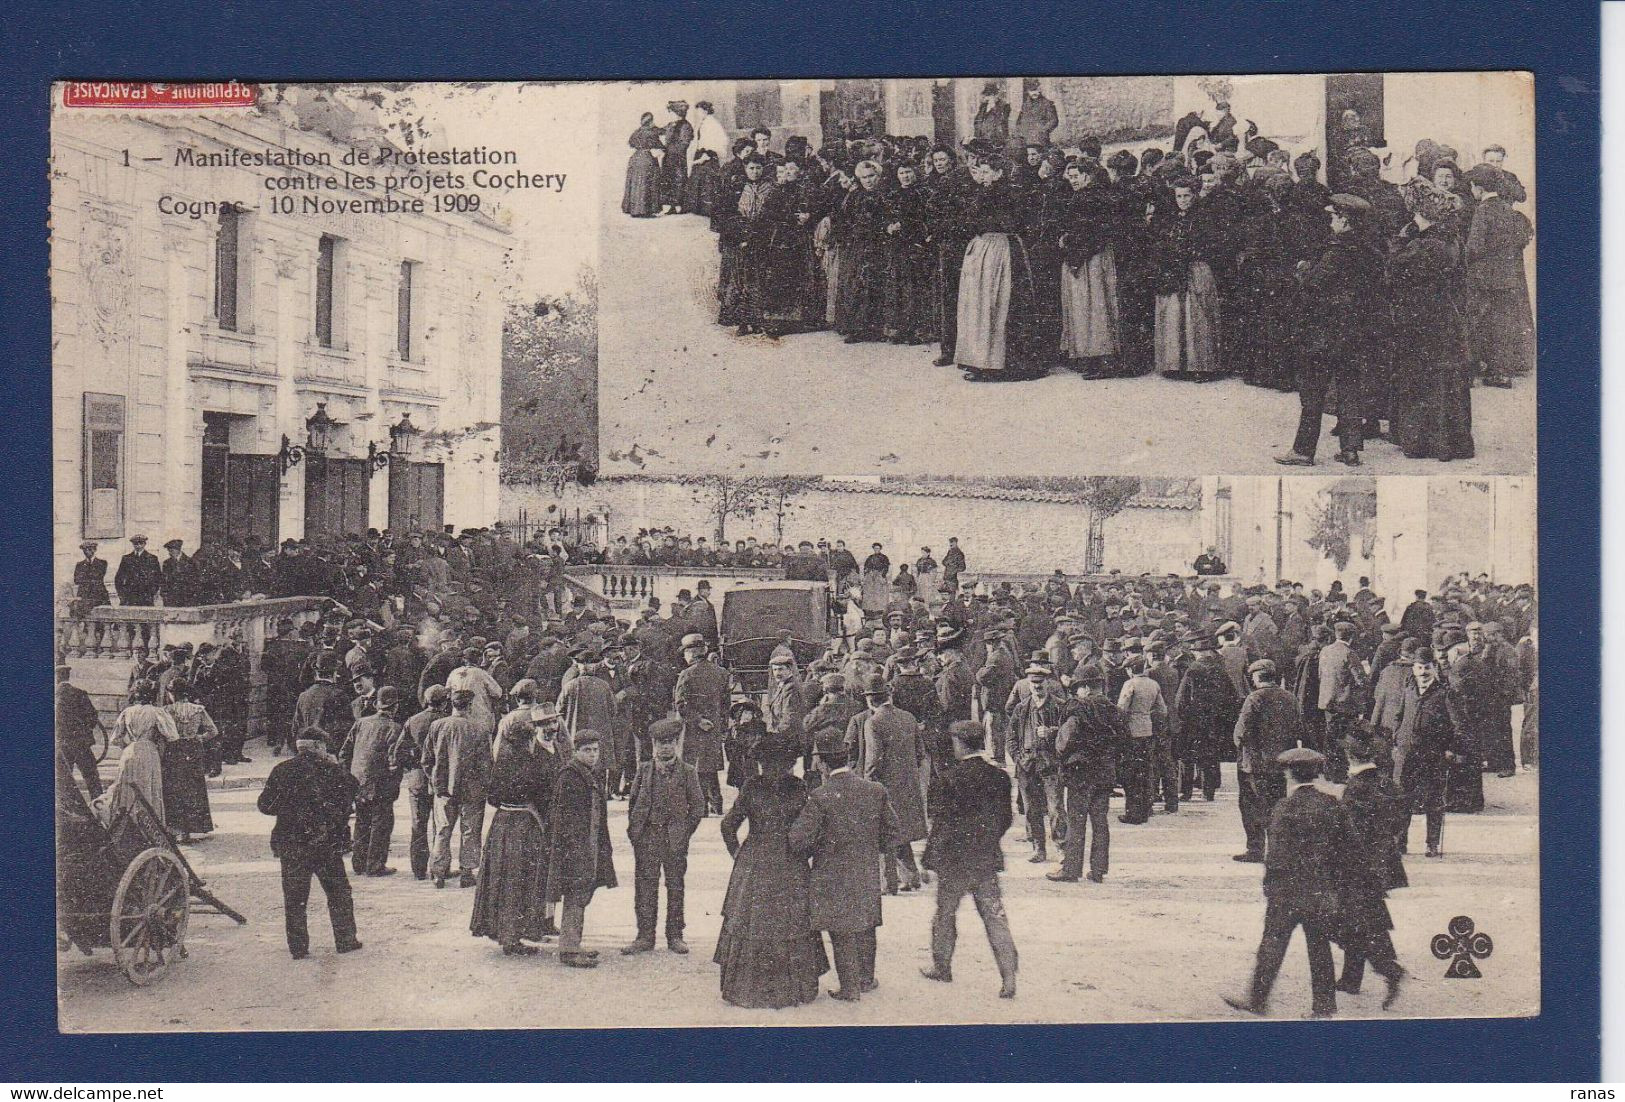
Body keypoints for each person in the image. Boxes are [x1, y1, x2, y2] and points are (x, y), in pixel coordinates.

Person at [1224, 747, 1350, 1018]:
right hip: (1320, 889)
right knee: (1319, 947)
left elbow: (1276, 853)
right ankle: (1324, 1006)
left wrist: (1270, 886)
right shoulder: (1331, 804)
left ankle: (1258, 999)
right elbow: (1347, 849)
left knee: (1272, 944)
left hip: (1287, 891)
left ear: (1289, 774)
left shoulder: (1284, 806)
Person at [716, 730, 830, 1007]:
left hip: (754, 862)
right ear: (791, 761)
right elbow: (810, 832)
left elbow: (727, 825)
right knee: (790, 922)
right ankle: (791, 988)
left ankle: (747, 988)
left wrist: (739, 855)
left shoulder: (752, 786)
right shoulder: (799, 788)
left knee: (750, 921)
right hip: (790, 864)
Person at [1275, 194, 1382, 467]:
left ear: (1344, 220)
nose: (1331, 221)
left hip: (1324, 331)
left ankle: (1303, 451)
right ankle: (1350, 450)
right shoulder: (1371, 252)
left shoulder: (1335, 252)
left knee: (1313, 392)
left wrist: (1303, 271)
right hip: (1355, 331)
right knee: (1349, 389)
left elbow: (1313, 286)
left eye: (1334, 216)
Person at [788, 744, 900, 1001]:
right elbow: (893, 830)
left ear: (823, 764)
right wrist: (872, 848)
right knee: (866, 922)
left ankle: (850, 988)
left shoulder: (820, 796)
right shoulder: (875, 790)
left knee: (840, 930)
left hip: (831, 872)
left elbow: (798, 839)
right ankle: (866, 978)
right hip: (866, 869)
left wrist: (818, 848)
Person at [919, 719, 1018, 995]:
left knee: (945, 914)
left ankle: (942, 967)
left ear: (959, 744)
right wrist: (988, 841)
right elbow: (1005, 819)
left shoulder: (949, 778)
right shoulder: (999, 777)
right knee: (995, 917)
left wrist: (929, 862)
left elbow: (940, 825)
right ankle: (1008, 978)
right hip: (985, 861)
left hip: (954, 863)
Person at [257, 726, 362, 959]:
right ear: (318, 747)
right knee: (338, 893)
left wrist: (290, 808)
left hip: (291, 843)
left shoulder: (281, 770)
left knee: (295, 898)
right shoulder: (333, 771)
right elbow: (354, 791)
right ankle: (345, 939)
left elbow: (265, 806)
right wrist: (336, 766)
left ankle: (298, 948)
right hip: (326, 843)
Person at [1389, 176, 1475, 461]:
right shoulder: (1452, 241)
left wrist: (1400, 240)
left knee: (1421, 379)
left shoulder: (1422, 246)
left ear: (1422, 214)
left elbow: (1394, 271)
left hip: (1421, 321)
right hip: (1448, 318)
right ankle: (1454, 443)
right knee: (1448, 381)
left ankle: (1422, 442)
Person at [470, 711, 558, 956]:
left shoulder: (501, 763)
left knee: (501, 879)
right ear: (529, 741)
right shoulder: (533, 764)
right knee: (521, 881)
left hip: (501, 825)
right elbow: (544, 797)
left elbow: (493, 798)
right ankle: (515, 935)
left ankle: (503, 932)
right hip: (525, 826)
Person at [1336, 731, 1408, 1008]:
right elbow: (1401, 817)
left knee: (1360, 922)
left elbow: (1346, 830)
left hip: (1357, 866)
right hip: (1382, 863)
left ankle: (1390, 970)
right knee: (1365, 918)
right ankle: (1351, 979)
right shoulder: (1387, 783)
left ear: (1351, 757)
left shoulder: (1355, 788)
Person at [623, 718, 706, 955]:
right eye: (660, 744)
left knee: (675, 886)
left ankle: (675, 935)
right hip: (647, 838)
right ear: (653, 745)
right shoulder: (644, 770)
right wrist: (636, 831)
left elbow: (698, 806)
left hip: (674, 840)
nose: (665, 748)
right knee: (645, 887)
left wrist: (684, 831)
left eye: (669, 743)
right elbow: (633, 802)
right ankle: (644, 936)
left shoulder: (688, 772)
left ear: (677, 744)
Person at [956, 153, 1041, 381]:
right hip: (991, 249)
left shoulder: (1002, 193)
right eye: (979, 172)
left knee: (999, 303)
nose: (981, 177)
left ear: (999, 173)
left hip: (1000, 250)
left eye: (985, 172)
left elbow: (1002, 222)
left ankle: (1001, 364)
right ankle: (985, 360)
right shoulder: (988, 192)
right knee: (986, 303)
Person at [545, 730, 618, 968]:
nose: (593, 755)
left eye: (596, 750)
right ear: (576, 751)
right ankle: (569, 949)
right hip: (576, 849)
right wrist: (574, 850)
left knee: (583, 894)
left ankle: (574, 943)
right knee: (576, 895)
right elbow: (563, 820)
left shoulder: (588, 774)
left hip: (590, 845)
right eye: (587, 750)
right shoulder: (569, 777)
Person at [854, 673, 928, 894]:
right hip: (908, 783)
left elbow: (873, 760)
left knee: (883, 833)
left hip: (885, 785)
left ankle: (889, 883)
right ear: (888, 696)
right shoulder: (908, 717)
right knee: (901, 830)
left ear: (869, 700)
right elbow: (920, 753)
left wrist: (866, 785)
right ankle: (911, 876)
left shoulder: (873, 722)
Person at [1462, 163, 1534, 387]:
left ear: (1479, 188)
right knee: (1502, 326)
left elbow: (1474, 246)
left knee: (1476, 322)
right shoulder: (1507, 209)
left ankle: (1472, 369)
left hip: (1483, 279)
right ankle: (1500, 373)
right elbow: (1521, 237)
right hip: (1507, 277)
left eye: (1473, 186)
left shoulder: (1483, 210)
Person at [1392, 646, 1468, 858]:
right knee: (1402, 798)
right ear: (1413, 669)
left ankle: (1432, 844)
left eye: (1426, 667)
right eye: (1419, 667)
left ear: (1433, 668)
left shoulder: (1445, 693)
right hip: (1407, 754)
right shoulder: (1408, 689)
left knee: (1433, 800)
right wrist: (1397, 739)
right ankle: (1400, 842)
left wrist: (1452, 748)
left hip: (1433, 755)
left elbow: (1458, 725)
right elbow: (1399, 716)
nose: (1423, 672)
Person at [1050, 674, 1125, 883]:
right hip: (1105, 774)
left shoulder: (1078, 709)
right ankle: (1099, 870)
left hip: (1081, 774)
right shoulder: (1114, 710)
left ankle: (1071, 870)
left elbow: (1064, 741)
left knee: (1077, 822)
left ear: (1085, 687)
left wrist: (1059, 749)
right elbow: (1124, 740)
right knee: (1100, 823)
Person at [1152, 178, 1222, 379]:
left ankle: (1200, 365)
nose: (1182, 200)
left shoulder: (1204, 217)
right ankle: (1175, 364)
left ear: (1194, 195)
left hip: (1196, 268)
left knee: (1197, 314)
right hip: (1175, 269)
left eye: (1186, 196)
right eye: (1178, 196)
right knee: (1175, 313)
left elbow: (1211, 243)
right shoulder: (1172, 218)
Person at [1232, 659, 1302, 862]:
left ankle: (1255, 849)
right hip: (1280, 762)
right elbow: (1299, 728)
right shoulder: (1290, 698)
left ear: (1255, 677)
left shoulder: (1254, 699)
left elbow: (1241, 733)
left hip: (1254, 763)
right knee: (1277, 804)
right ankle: (1278, 849)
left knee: (1251, 805)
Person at [428, 687, 492, 888]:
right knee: (470, 832)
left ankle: (438, 874)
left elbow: (427, 759)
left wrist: (436, 780)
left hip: (443, 790)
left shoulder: (437, 726)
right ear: (470, 706)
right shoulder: (480, 729)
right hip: (472, 791)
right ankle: (466, 872)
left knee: (442, 830)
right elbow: (486, 764)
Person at [340, 685, 404, 877]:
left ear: (377, 704)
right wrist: (395, 780)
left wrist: (350, 776)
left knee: (362, 821)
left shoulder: (361, 723)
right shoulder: (394, 728)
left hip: (358, 781)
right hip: (381, 784)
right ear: (395, 707)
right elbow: (394, 761)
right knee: (381, 824)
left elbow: (345, 752)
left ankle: (358, 863)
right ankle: (375, 865)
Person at [1007, 659, 1065, 860]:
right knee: (1031, 809)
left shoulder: (1059, 707)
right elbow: (1011, 737)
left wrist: (1052, 732)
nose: (1037, 687)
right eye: (1033, 683)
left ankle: (1061, 846)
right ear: (1029, 685)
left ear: (1047, 683)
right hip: (1027, 764)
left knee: (1055, 807)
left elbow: (1069, 734)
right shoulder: (1022, 708)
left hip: (1050, 764)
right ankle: (1038, 847)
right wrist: (1017, 757)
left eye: (1040, 683)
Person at [396, 684, 447, 880]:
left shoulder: (413, 721)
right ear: (443, 702)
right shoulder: (446, 721)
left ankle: (418, 869)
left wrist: (412, 766)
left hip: (417, 778)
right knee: (440, 825)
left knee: (418, 824)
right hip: (440, 778)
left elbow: (399, 751)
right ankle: (439, 868)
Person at [674, 633, 729, 813]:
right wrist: (721, 726)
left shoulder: (686, 674)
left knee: (695, 766)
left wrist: (697, 720)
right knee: (709, 766)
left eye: (685, 652)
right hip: (713, 727)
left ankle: (701, 806)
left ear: (691, 652)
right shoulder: (721, 673)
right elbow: (726, 703)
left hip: (692, 728)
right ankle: (716, 803)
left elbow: (680, 704)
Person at [161, 680, 217, 843]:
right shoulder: (198, 709)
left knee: (174, 788)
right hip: (193, 749)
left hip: (175, 748)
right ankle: (195, 827)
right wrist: (199, 738)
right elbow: (213, 730)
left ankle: (179, 829)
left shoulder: (166, 710)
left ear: (172, 694)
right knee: (194, 787)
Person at [1115, 655, 1168, 824]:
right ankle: (1147, 808)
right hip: (1148, 730)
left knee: (1131, 775)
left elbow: (1122, 709)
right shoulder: (1153, 684)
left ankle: (1133, 813)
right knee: (1146, 771)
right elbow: (1162, 710)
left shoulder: (1130, 684)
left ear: (1131, 669)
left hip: (1131, 732)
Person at [56, 665, 103, 797]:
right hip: (80, 743)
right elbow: (93, 716)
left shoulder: (54, 696)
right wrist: (84, 731)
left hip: (61, 744)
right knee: (92, 777)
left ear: (56, 678)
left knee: (63, 779)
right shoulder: (79, 693)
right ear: (67, 676)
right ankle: (99, 807)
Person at [621, 112, 664, 218]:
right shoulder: (651, 133)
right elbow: (660, 145)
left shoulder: (637, 132)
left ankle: (634, 210)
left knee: (636, 184)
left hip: (635, 159)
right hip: (647, 159)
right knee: (647, 183)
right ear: (651, 121)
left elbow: (630, 143)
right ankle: (645, 211)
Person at [114, 535, 162, 606]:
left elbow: (158, 577)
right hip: (129, 596)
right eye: (136, 544)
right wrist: (121, 593)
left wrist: (153, 592)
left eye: (141, 543)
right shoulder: (126, 558)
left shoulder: (152, 558)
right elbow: (119, 577)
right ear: (133, 544)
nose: (138, 546)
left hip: (146, 595)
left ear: (145, 544)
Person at [74, 541, 110, 605]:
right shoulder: (79, 565)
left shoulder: (102, 563)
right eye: (84, 550)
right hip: (84, 595)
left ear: (95, 550)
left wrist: (84, 578)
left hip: (99, 595)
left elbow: (98, 577)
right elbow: (76, 580)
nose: (87, 551)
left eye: (90, 549)